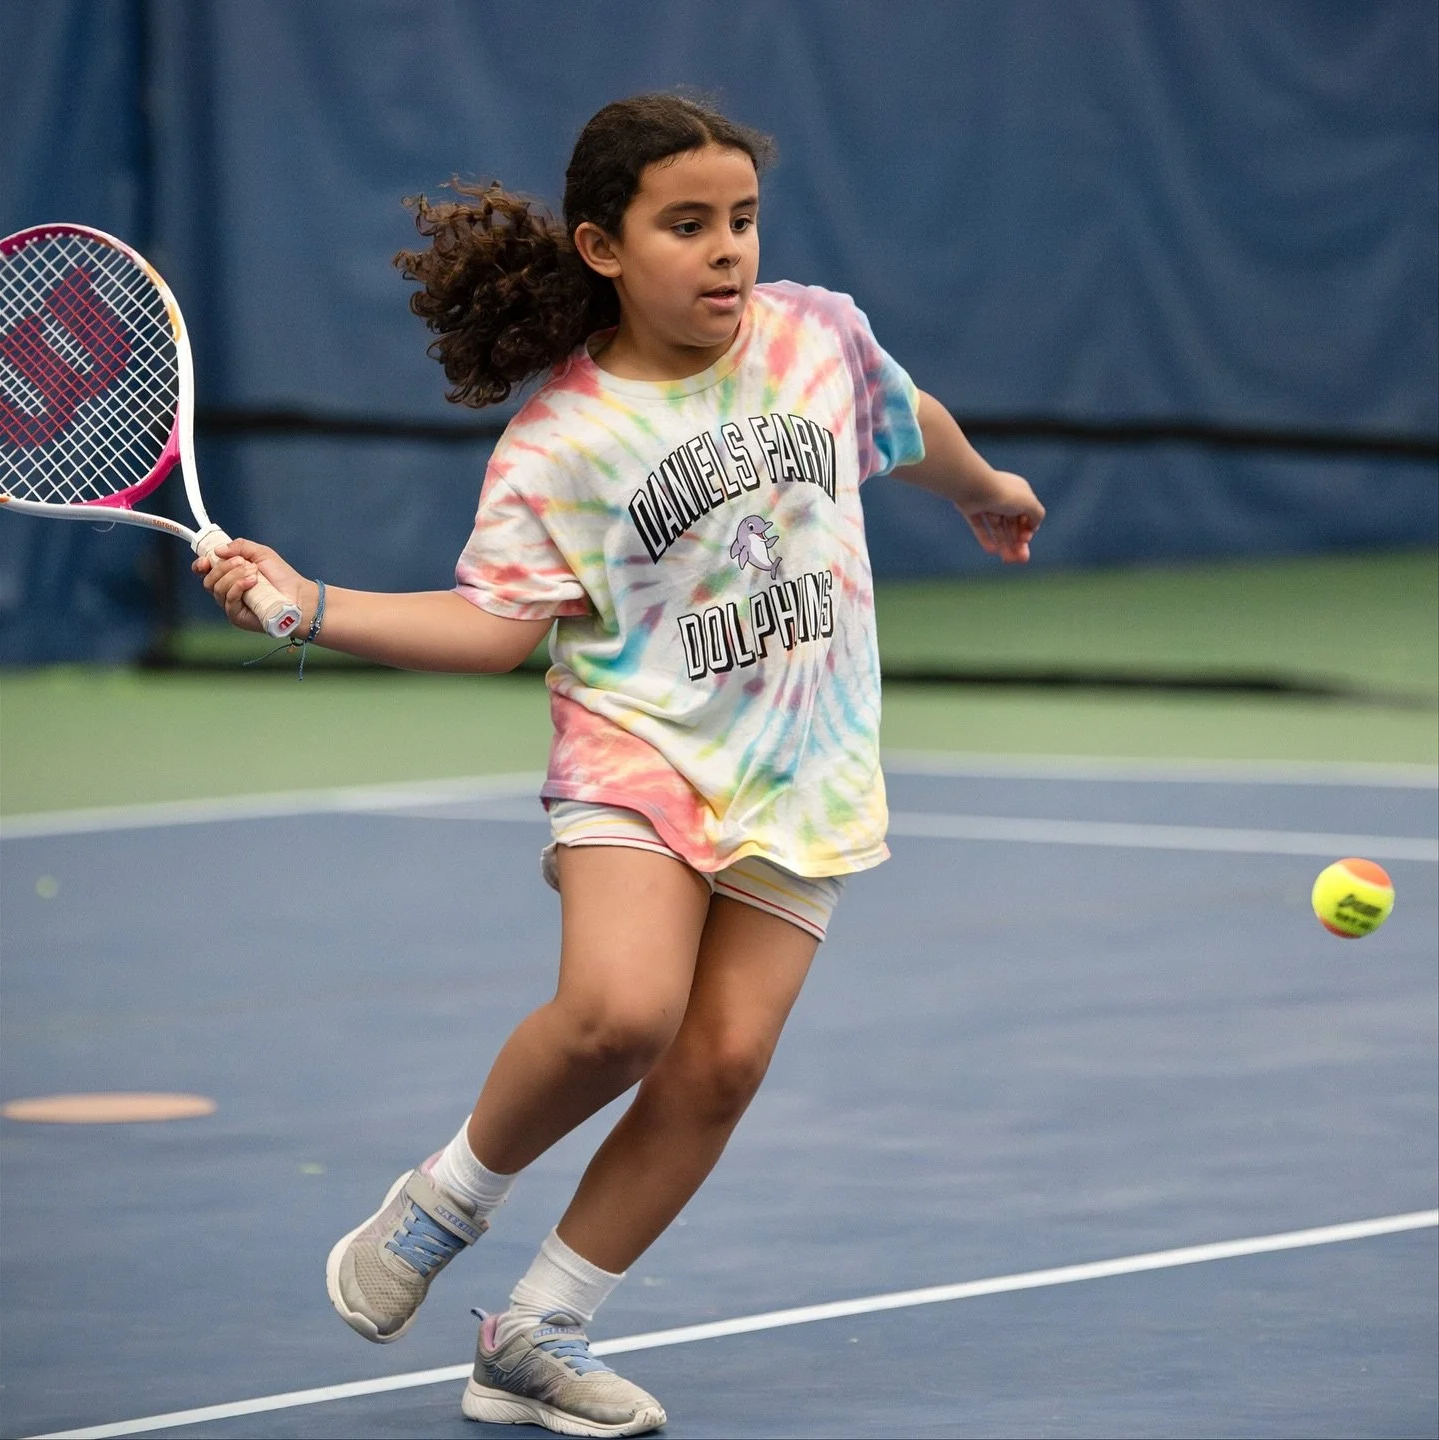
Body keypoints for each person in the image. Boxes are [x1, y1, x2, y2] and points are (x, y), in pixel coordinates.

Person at [199, 92, 1044, 1439]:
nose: (728, 252)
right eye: (688, 225)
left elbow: (907, 415)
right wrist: (313, 604)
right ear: (604, 246)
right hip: (637, 753)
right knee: (620, 1014)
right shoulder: (561, 444)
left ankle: (535, 1336)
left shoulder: (818, 336)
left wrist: (985, 484)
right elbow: (491, 628)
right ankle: (448, 1199)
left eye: (744, 221)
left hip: (807, 766)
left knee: (719, 1066)